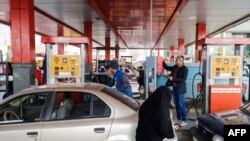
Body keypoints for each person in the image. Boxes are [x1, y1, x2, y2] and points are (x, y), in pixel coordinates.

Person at [162, 55, 188, 127]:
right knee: (176, 104)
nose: (176, 61)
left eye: (177, 60)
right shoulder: (175, 67)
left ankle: (184, 120)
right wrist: (162, 61)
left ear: (181, 61)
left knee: (181, 104)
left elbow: (183, 79)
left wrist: (173, 78)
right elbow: (167, 67)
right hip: (175, 88)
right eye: (176, 59)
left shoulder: (185, 69)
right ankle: (179, 119)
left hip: (180, 89)